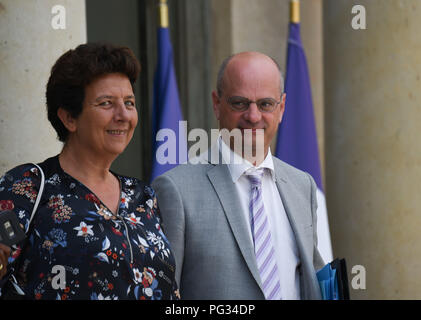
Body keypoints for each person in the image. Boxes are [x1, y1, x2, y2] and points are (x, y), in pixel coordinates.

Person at [0, 43, 179, 300]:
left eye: (129, 103)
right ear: (69, 118)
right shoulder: (28, 186)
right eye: (106, 103)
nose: (123, 115)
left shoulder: (143, 196)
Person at [152, 51, 324, 300]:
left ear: (282, 107)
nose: (253, 116)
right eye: (240, 103)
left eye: (265, 104)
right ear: (216, 104)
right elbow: (165, 295)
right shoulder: (175, 190)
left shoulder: (302, 186)